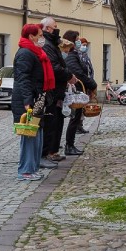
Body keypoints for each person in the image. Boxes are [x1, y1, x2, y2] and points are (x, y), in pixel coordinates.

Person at [12, 24, 55, 180]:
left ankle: (33, 167)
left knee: (37, 134)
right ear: (31, 36)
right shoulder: (25, 53)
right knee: (29, 136)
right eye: (40, 35)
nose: (41, 38)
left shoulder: (35, 52)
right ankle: (25, 170)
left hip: (37, 100)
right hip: (28, 101)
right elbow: (23, 79)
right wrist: (27, 101)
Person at [39, 17, 77, 167]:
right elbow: (54, 67)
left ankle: (53, 151)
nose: (57, 29)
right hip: (52, 92)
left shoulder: (52, 44)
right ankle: (47, 152)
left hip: (57, 91)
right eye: (55, 27)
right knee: (50, 124)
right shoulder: (47, 46)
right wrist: (68, 75)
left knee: (57, 123)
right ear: (47, 29)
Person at [62, 30, 98, 155]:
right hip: (75, 92)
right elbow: (78, 73)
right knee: (74, 119)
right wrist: (92, 85)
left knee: (75, 118)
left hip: (79, 90)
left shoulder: (74, 54)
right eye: (77, 39)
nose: (79, 42)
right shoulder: (71, 55)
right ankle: (69, 145)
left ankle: (69, 145)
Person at [76, 37, 95, 134]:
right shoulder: (78, 56)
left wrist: (91, 82)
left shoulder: (86, 56)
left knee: (84, 105)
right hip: (81, 84)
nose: (85, 47)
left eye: (86, 45)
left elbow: (90, 70)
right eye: (83, 45)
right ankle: (77, 125)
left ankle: (80, 124)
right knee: (80, 105)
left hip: (87, 84)